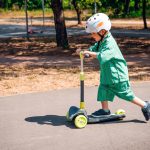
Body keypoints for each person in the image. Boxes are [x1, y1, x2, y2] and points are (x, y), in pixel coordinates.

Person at [77, 13, 150, 121]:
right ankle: (105, 110)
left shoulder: (110, 43)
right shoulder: (102, 40)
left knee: (125, 94)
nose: (92, 36)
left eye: (93, 33)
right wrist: (86, 52)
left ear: (102, 31)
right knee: (103, 89)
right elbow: (94, 49)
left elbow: (103, 55)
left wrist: (89, 53)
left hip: (117, 75)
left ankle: (145, 105)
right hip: (108, 74)